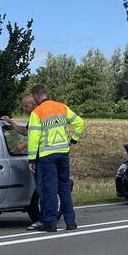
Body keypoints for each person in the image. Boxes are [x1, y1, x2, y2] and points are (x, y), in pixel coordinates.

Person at [25, 85, 84, 232]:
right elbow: (80, 123)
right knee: (64, 187)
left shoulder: (37, 112)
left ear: (36, 96)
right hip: (63, 153)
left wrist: (32, 159)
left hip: (47, 155)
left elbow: (33, 138)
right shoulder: (62, 107)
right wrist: (74, 140)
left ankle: (50, 223)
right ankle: (70, 222)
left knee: (50, 189)